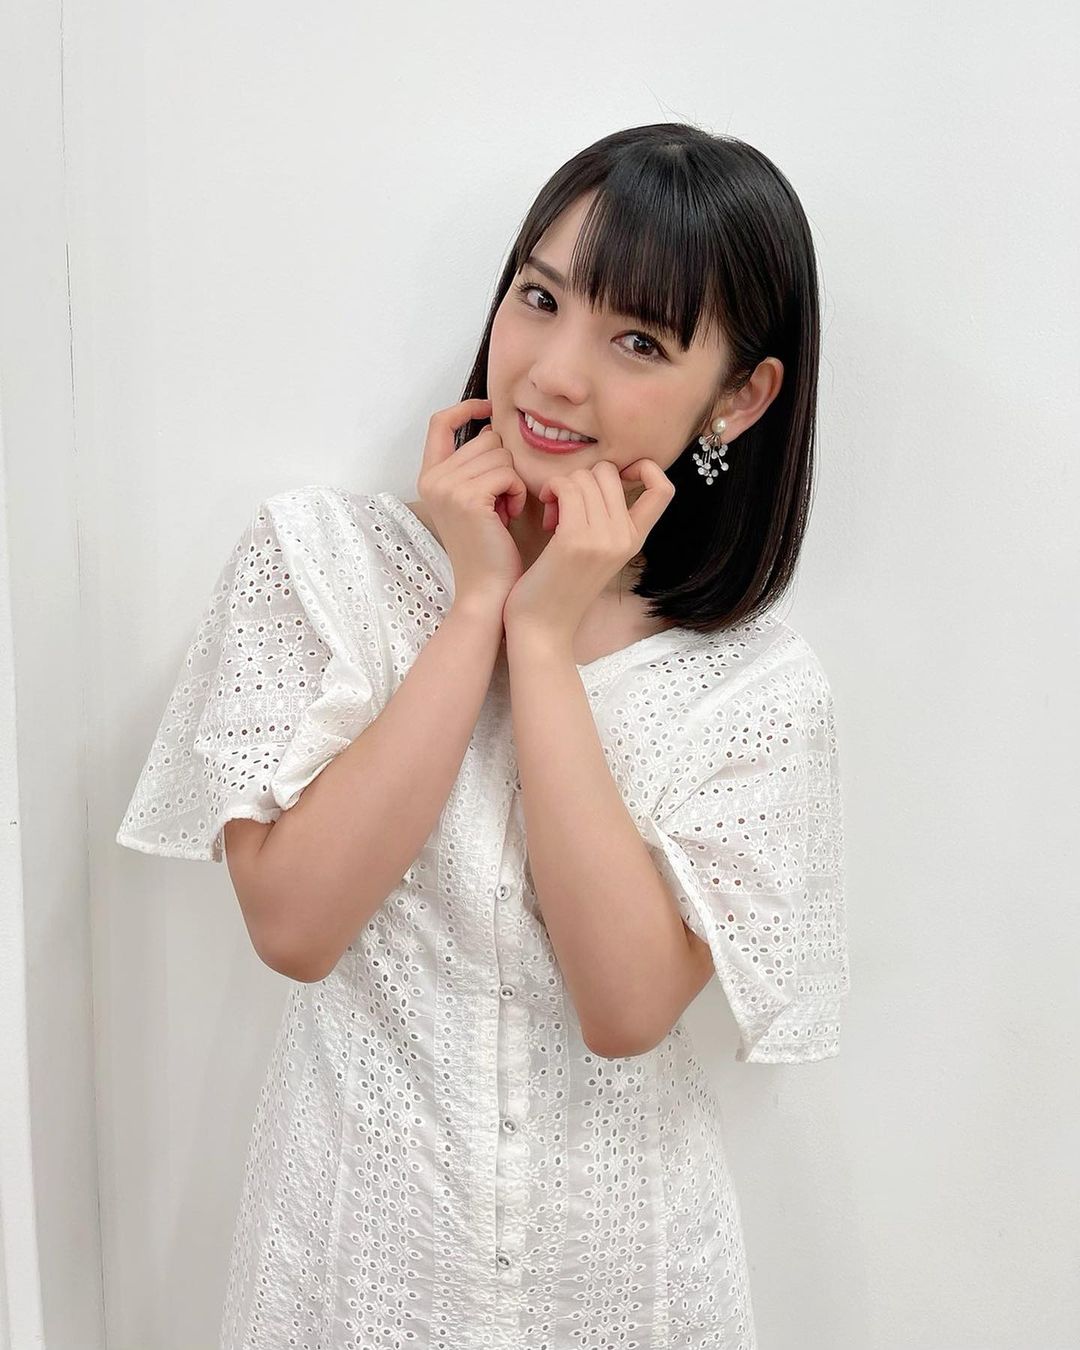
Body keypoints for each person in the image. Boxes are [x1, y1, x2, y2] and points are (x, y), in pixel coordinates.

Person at [117, 122, 851, 1350]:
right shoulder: (320, 565)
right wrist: (475, 609)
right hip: (352, 1281)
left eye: (637, 340)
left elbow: (625, 1010)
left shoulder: (754, 689)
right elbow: (294, 927)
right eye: (540, 297)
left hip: (626, 1293)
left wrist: (545, 642)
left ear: (740, 397)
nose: (554, 375)